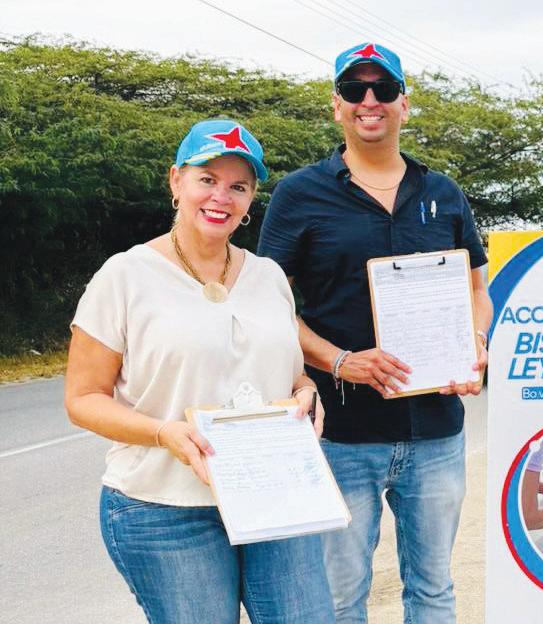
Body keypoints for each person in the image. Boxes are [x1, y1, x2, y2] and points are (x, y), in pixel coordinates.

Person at [256, 42, 491, 623]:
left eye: (383, 89)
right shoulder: (298, 194)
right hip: (341, 433)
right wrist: (340, 360)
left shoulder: (443, 193)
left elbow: (476, 289)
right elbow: (267, 303)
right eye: (354, 89)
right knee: (341, 597)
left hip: (436, 431)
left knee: (434, 590)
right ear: (336, 105)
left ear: (403, 104)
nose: (369, 100)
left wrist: (474, 343)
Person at [63, 119, 334, 623]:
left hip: (275, 496)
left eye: (239, 186)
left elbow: (292, 376)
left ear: (251, 199)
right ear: (176, 181)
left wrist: (307, 392)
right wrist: (165, 433)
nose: (221, 197)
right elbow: (83, 398)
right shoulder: (124, 276)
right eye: (207, 179)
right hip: (164, 509)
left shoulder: (269, 276)